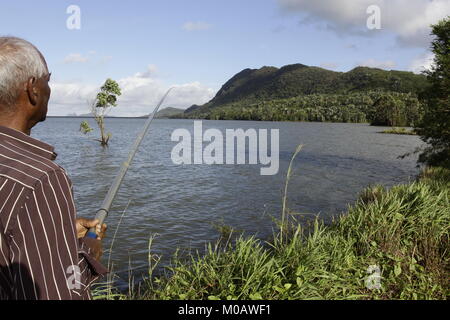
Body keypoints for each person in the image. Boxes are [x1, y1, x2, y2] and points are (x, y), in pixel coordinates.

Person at [0, 36, 107, 300]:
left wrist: (62, 230)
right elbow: (60, 292)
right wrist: (86, 249)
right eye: (49, 80)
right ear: (33, 88)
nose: (50, 89)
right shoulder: (41, 178)